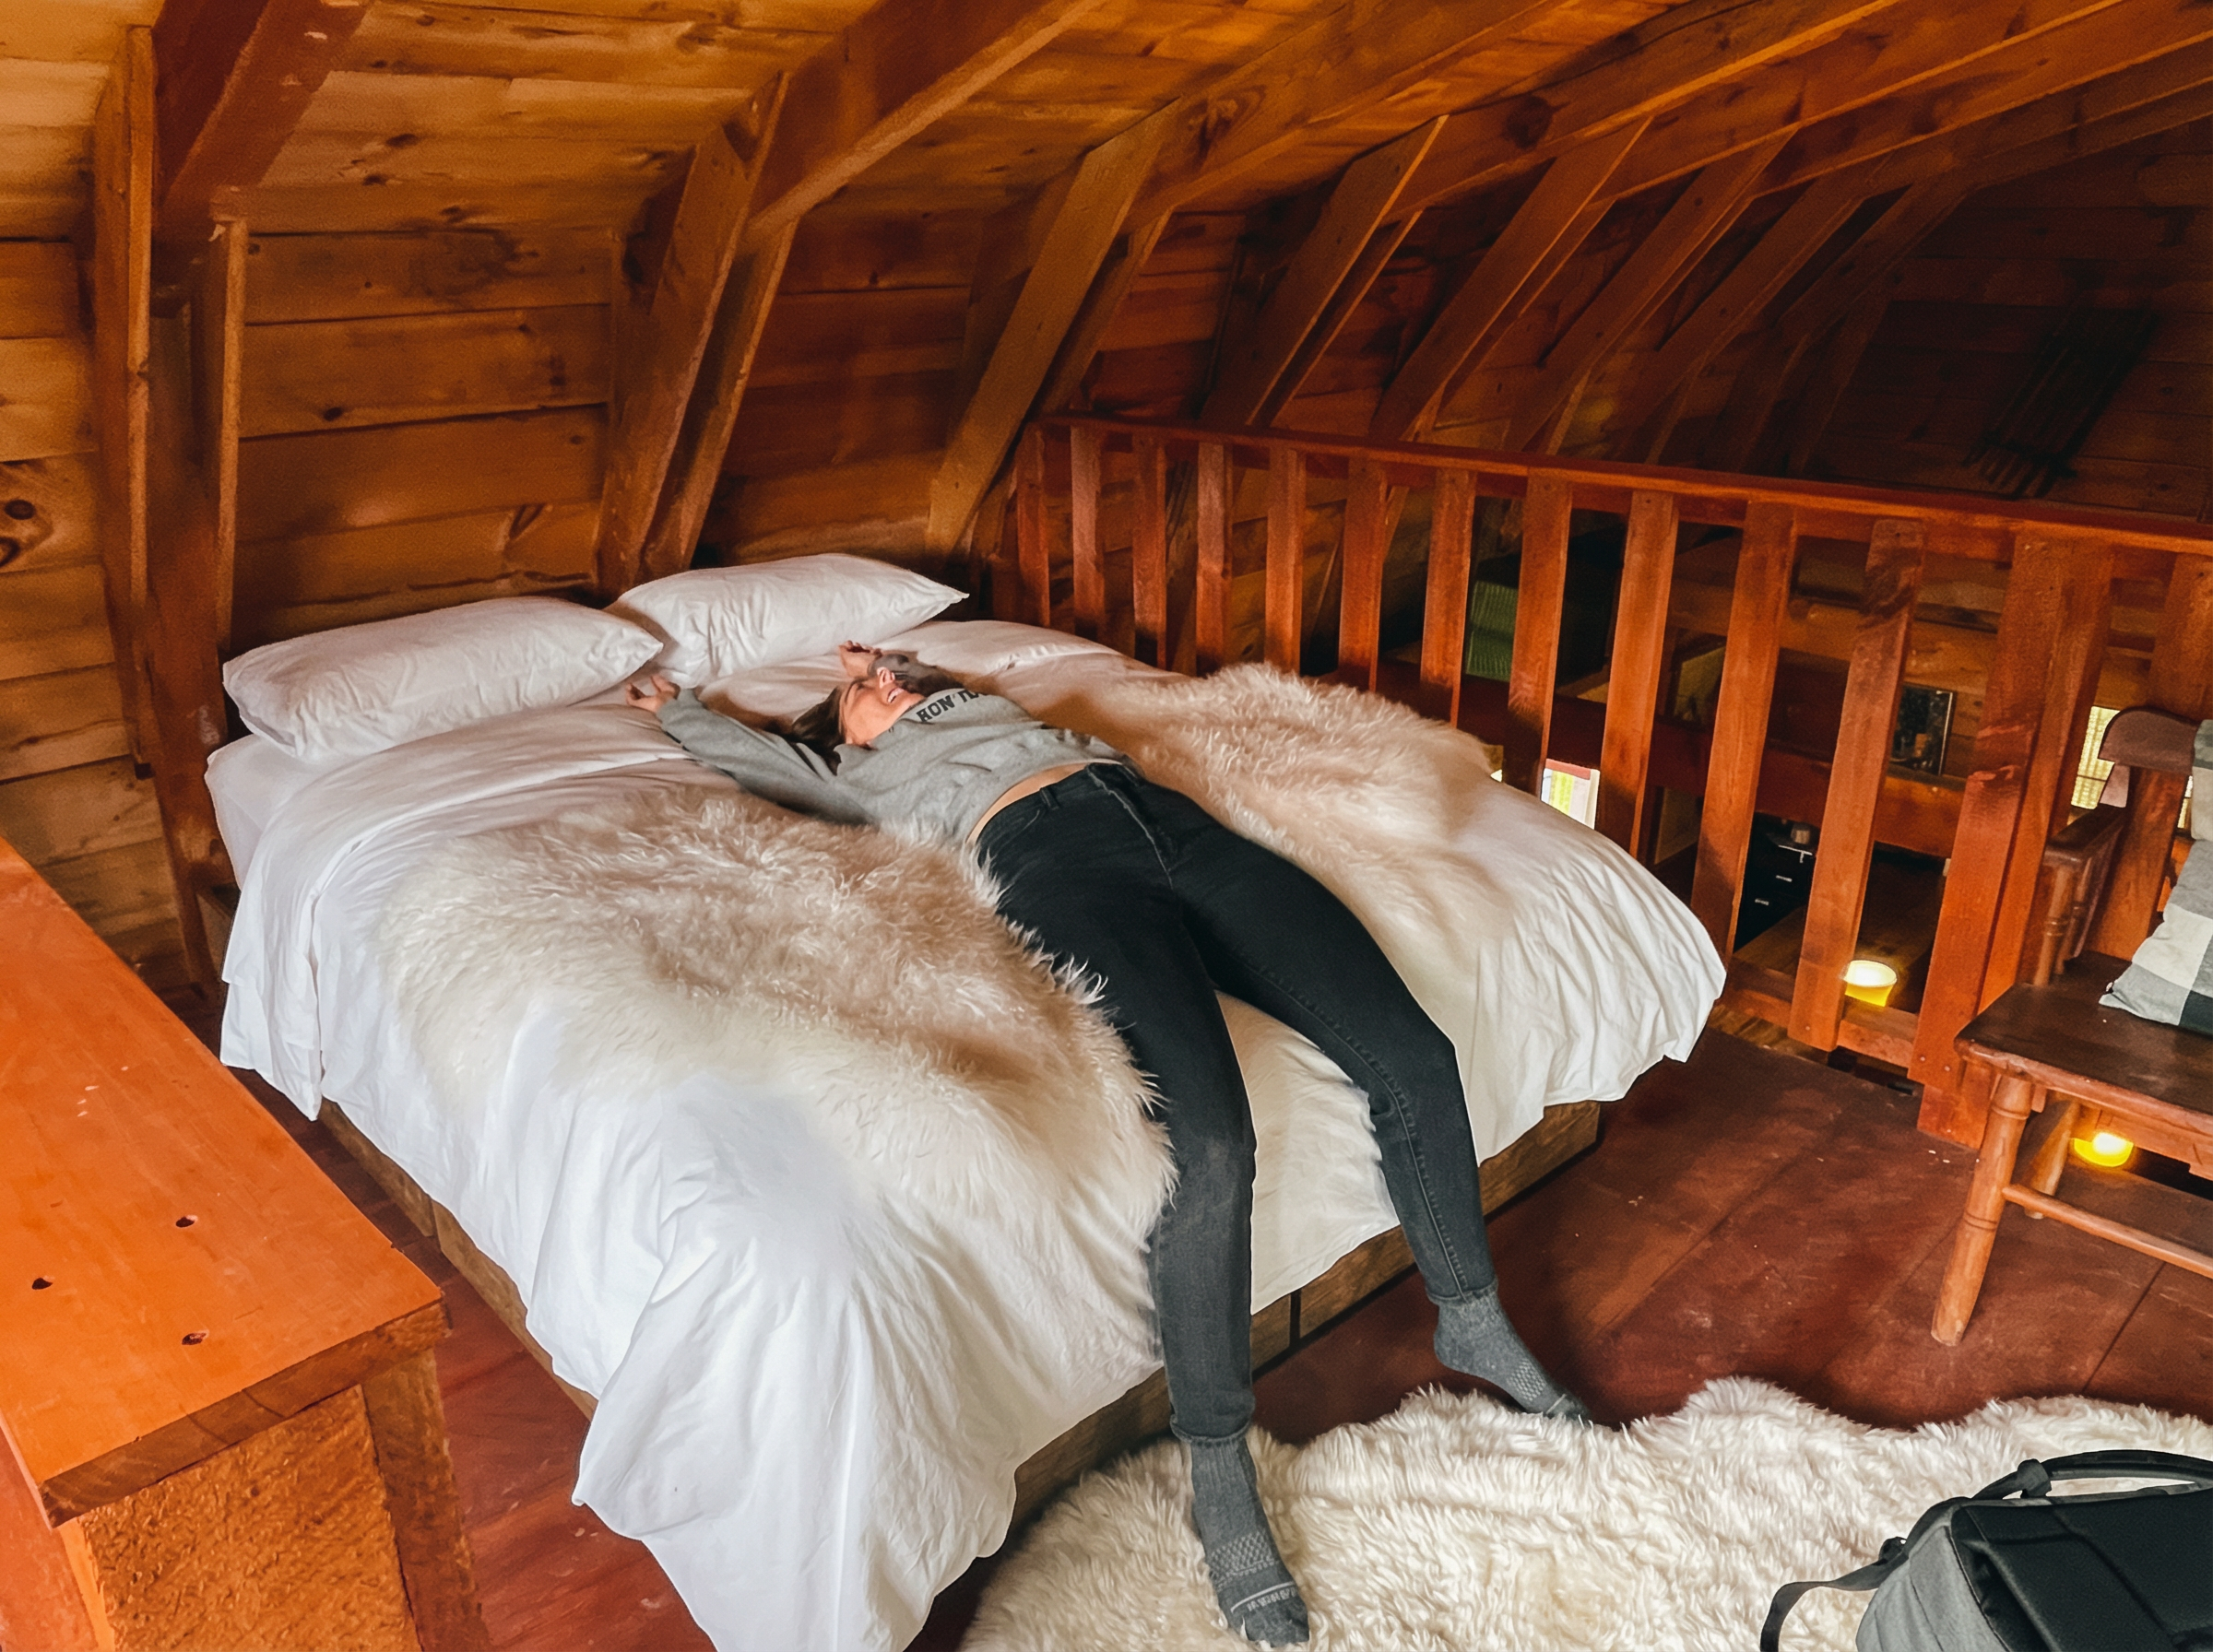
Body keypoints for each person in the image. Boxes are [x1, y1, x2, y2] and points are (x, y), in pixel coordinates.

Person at [628, 644, 1588, 1646]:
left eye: (898, 672)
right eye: (862, 693)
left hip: (1175, 826)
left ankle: (1471, 1315)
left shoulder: (978, 704)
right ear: (837, 737)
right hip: (1053, 863)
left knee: (1413, 1055)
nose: (889, 683)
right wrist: (680, 707)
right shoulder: (850, 773)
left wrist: (888, 667)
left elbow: (929, 678)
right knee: (1210, 1140)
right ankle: (1218, 1463)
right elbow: (758, 759)